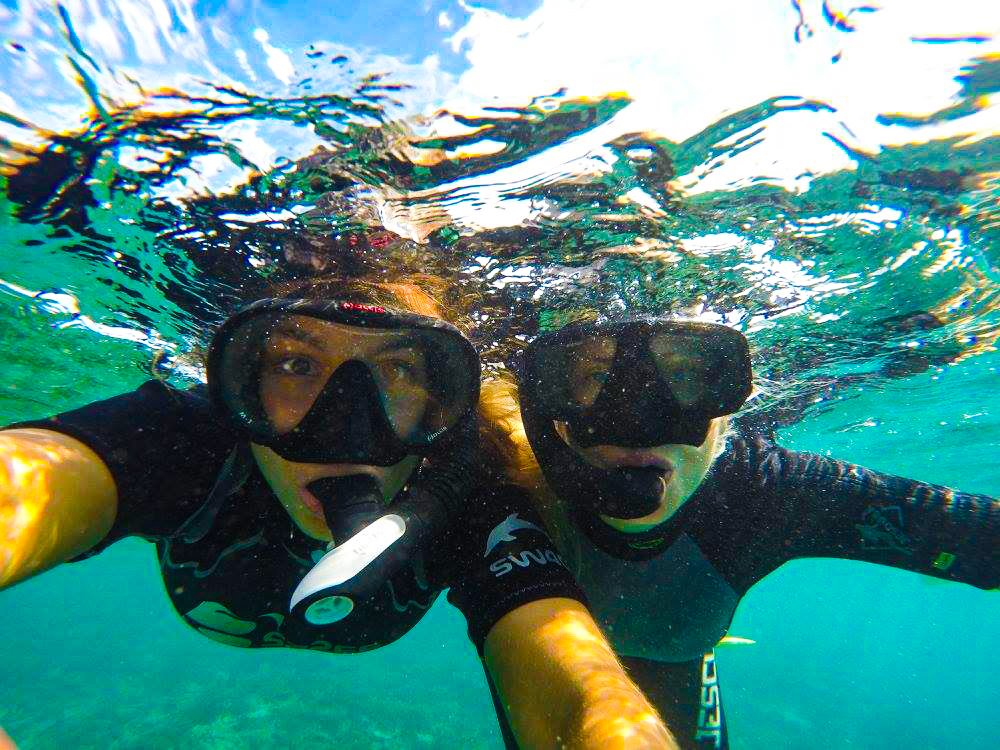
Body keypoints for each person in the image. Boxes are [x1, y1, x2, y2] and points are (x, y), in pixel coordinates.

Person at [0, 277, 679, 750]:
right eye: (295, 363)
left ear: (443, 399)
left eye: (399, 371)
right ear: (240, 384)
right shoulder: (186, 442)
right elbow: (26, 483)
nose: (347, 427)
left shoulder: (468, 491)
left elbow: (578, 695)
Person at [499, 314, 999, 750]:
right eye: (593, 377)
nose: (639, 418)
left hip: (678, 663)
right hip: (556, 662)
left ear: (732, 409)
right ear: (548, 408)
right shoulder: (508, 482)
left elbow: (975, 532)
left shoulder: (763, 493)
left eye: (685, 375)